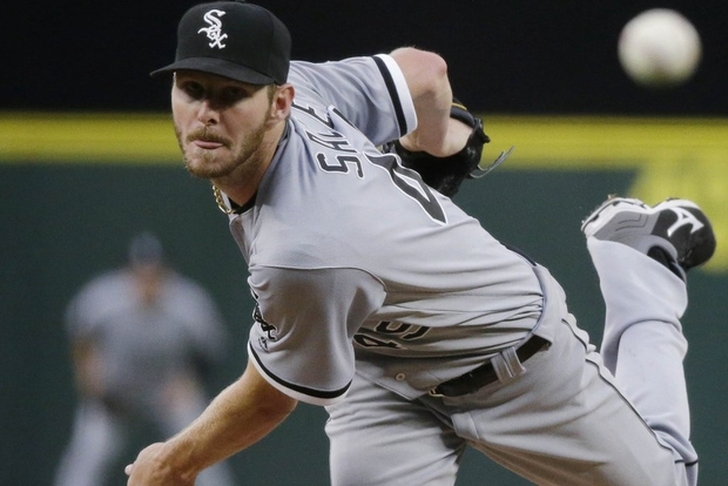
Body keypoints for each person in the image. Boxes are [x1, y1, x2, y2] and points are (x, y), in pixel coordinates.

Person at [126, 1, 717, 484]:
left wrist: (173, 463)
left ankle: (637, 259)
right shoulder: (301, 89)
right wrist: (439, 142)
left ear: (280, 102)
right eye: (192, 87)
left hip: (512, 363)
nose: (206, 112)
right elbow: (426, 71)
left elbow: (268, 399)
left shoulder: (304, 250)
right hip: (380, 367)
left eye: (231, 94)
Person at [54, 232, 235, 486]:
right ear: (126, 273)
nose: (147, 281)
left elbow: (211, 349)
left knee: (204, 448)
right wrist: (89, 374)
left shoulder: (187, 302)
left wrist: (189, 380)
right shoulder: (103, 298)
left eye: (154, 273)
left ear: (167, 272)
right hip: (115, 394)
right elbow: (80, 334)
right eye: (139, 273)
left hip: (166, 393)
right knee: (89, 453)